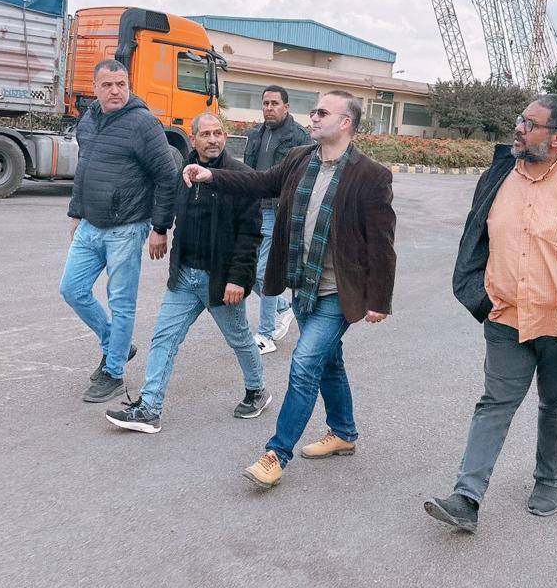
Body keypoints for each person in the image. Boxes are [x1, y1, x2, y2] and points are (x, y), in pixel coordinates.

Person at [424, 94, 557, 533]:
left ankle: (547, 480)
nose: (519, 128)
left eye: (530, 123)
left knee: (556, 404)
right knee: (495, 403)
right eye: (520, 120)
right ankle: (466, 497)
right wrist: (477, 295)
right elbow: (474, 238)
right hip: (505, 316)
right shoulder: (498, 174)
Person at [182, 90, 396, 490]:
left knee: (304, 364)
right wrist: (211, 175)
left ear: (345, 123)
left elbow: (382, 243)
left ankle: (277, 453)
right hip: (302, 285)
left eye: (322, 112)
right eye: (313, 111)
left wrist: (379, 298)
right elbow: (260, 182)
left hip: (337, 292)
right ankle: (344, 432)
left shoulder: (370, 175)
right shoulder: (300, 158)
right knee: (329, 362)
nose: (312, 117)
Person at [105, 113, 271, 433]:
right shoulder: (184, 172)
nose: (213, 139)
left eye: (218, 133)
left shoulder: (241, 177)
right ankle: (149, 408)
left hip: (220, 279)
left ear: (225, 137)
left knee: (239, 339)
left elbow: (250, 235)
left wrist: (238, 279)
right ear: (193, 139)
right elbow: (166, 202)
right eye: (205, 134)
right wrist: (160, 229)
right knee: (164, 338)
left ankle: (257, 390)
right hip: (184, 277)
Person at [60, 59, 181, 402]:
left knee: (121, 303)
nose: (115, 91)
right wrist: (76, 213)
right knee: (72, 289)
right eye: (107, 85)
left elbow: (167, 178)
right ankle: (117, 344)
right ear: (95, 88)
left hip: (127, 227)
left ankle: (113, 372)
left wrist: (160, 228)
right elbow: (84, 169)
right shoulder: (89, 120)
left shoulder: (143, 123)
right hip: (90, 224)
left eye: (121, 84)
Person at [243, 85, 313, 355]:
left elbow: (305, 178)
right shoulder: (256, 134)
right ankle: (283, 307)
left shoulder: (300, 137)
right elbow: (248, 172)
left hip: (278, 211)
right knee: (247, 271)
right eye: (265, 103)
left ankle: (266, 334)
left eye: (274, 103)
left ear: (286, 106)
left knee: (264, 272)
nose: (269, 108)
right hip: (254, 209)